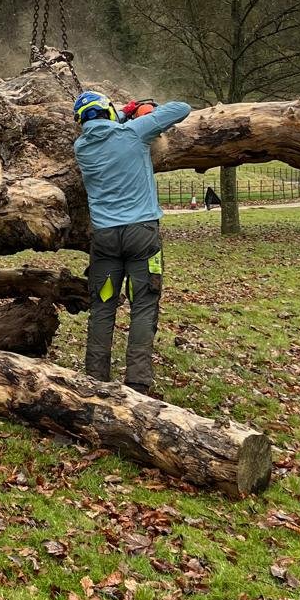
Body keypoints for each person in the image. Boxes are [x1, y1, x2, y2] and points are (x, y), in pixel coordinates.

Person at [72, 89, 192, 393]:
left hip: (106, 241)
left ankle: (95, 379)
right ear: (108, 112)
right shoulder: (135, 133)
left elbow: (104, 128)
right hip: (142, 238)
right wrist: (141, 110)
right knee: (143, 304)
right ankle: (137, 382)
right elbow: (181, 108)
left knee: (103, 305)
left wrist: (124, 114)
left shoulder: (81, 147)